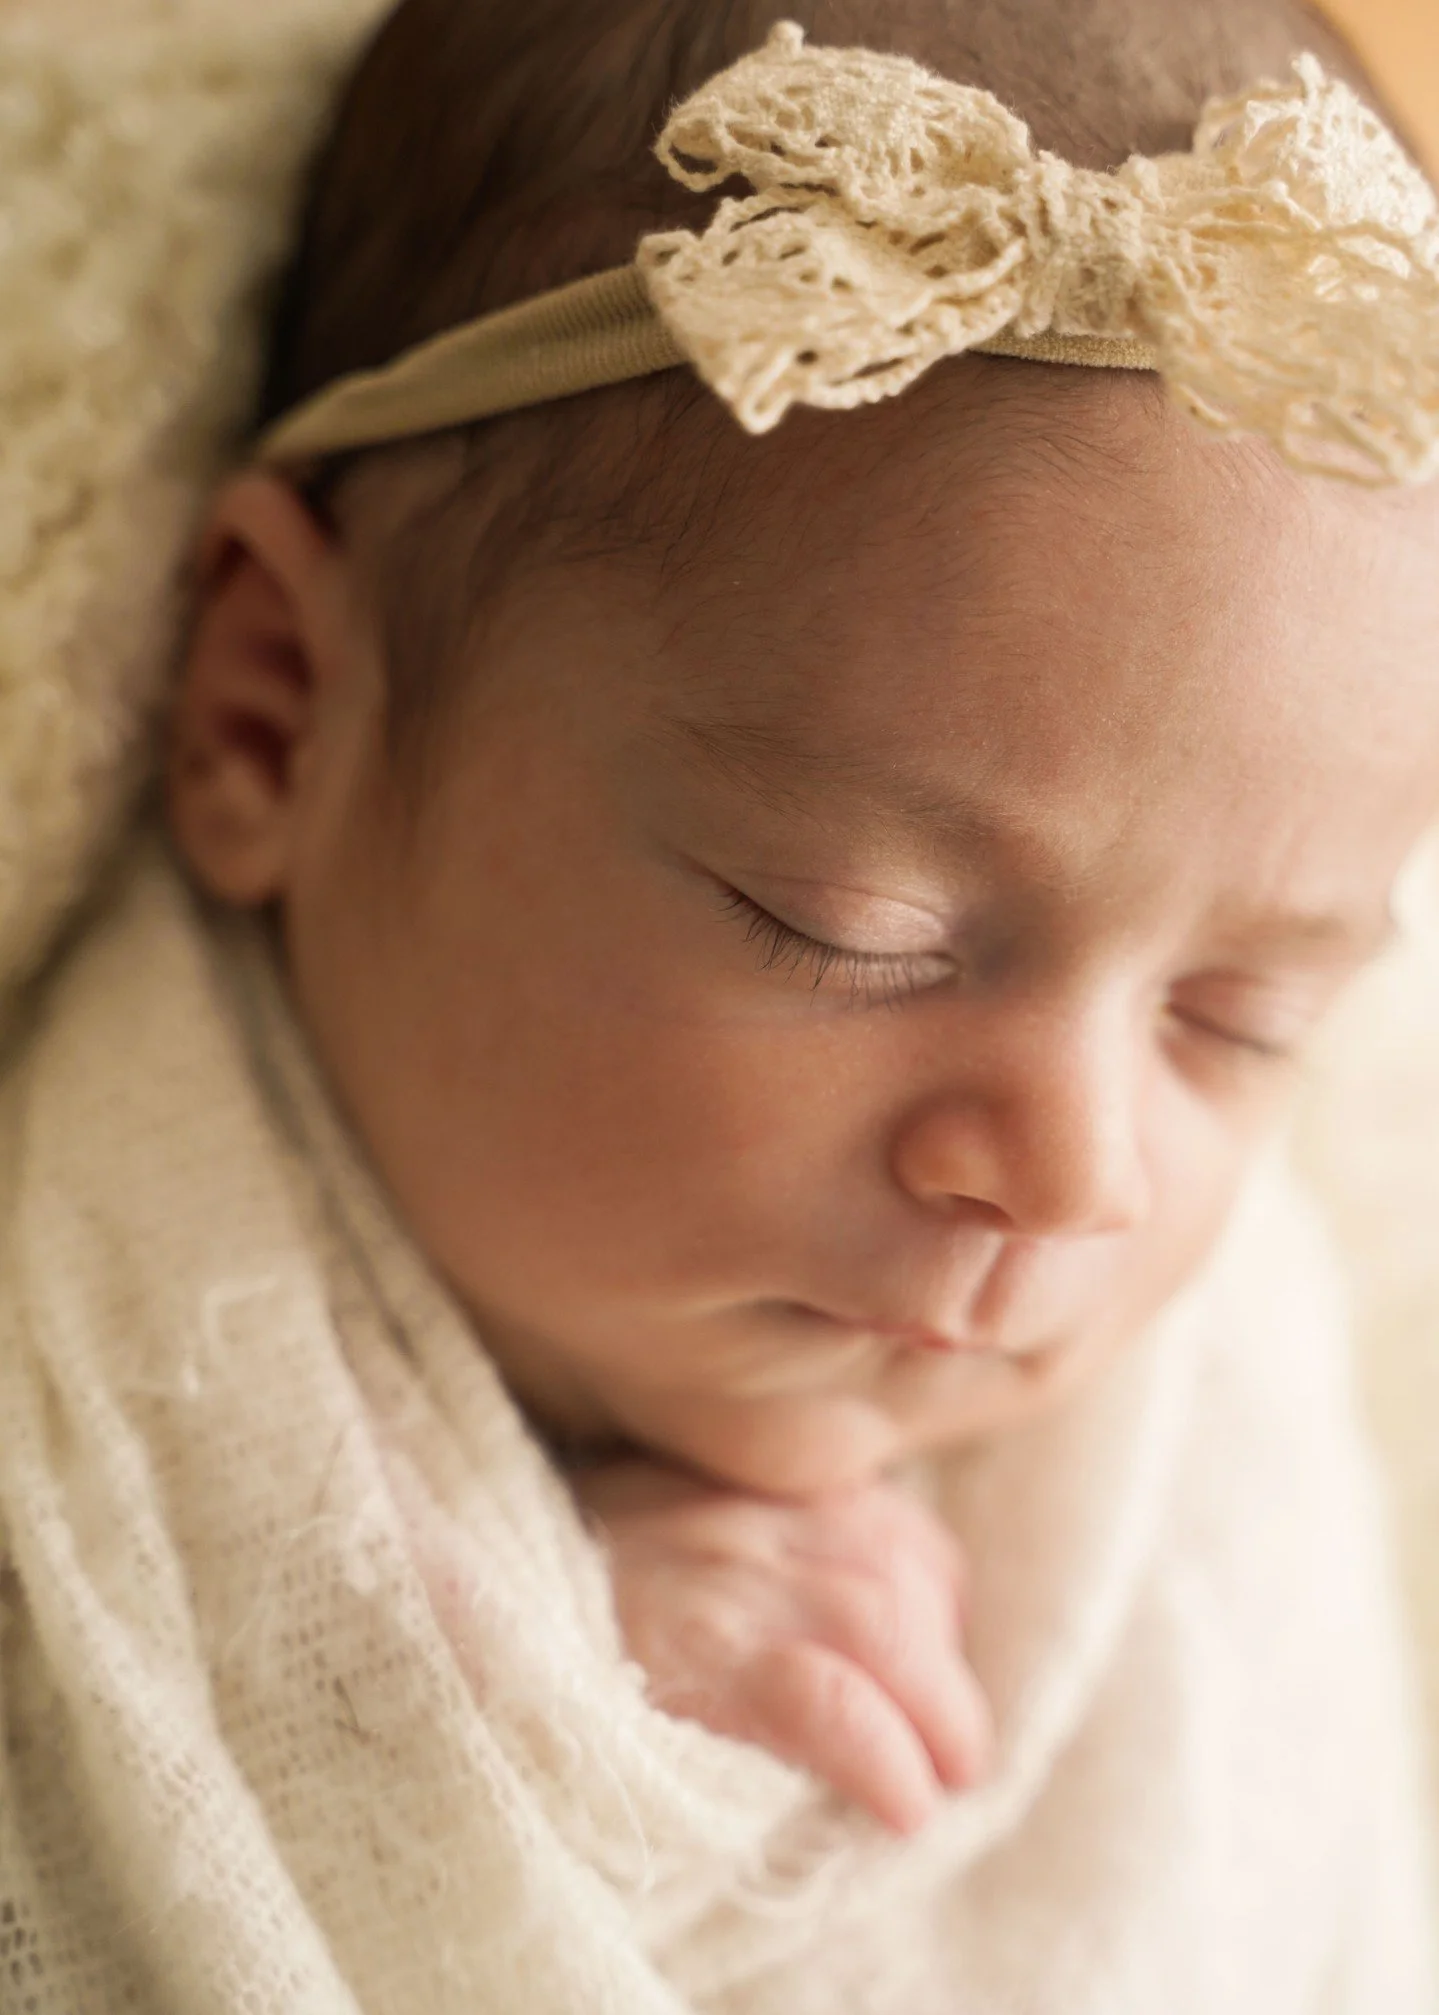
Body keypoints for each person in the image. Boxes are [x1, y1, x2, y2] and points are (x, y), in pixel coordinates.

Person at [2, 0, 1438, 2009]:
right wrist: (500, 1683)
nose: (1073, 1164)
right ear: (274, 714)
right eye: (854, 929)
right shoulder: (69, 1352)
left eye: (1241, 1011)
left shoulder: (1221, 1470)